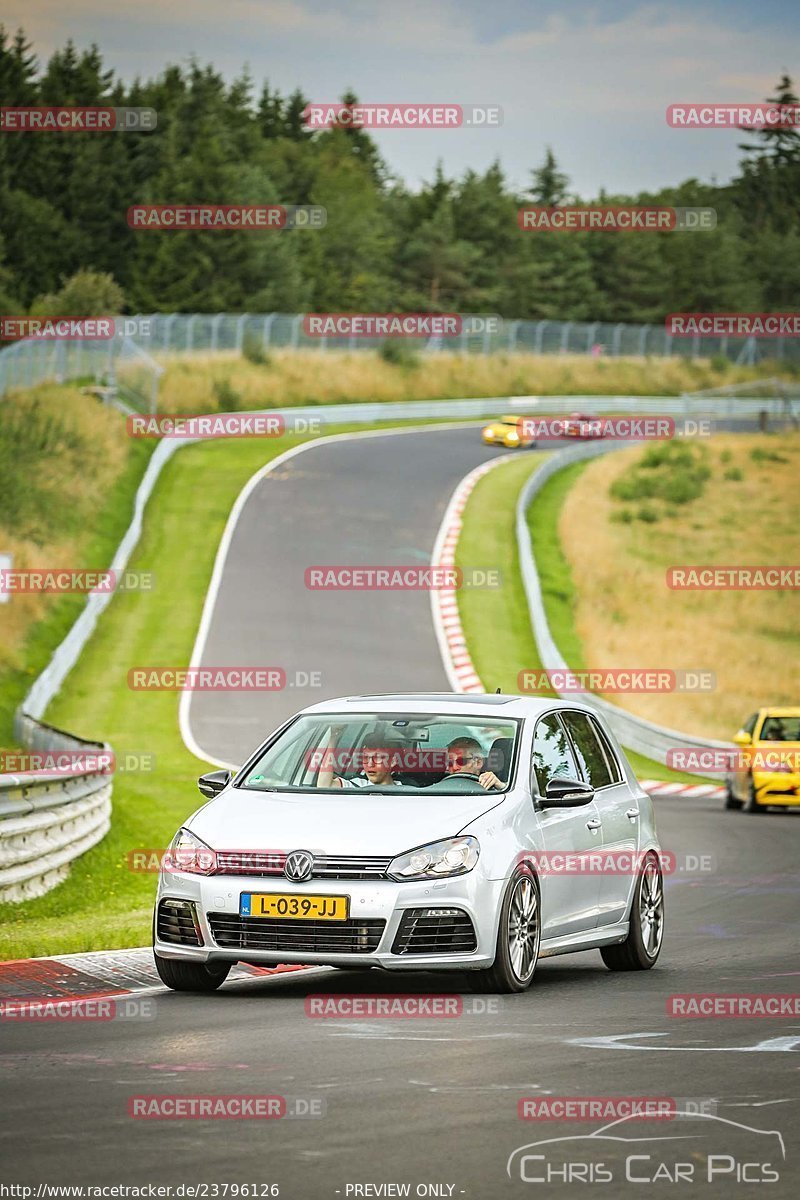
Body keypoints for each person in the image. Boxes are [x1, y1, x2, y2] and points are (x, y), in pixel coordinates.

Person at [317, 731, 403, 789]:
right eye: (366, 757)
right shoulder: (356, 786)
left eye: (377, 758)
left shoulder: (409, 791)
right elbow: (323, 786)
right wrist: (333, 738)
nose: (370, 764)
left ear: (392, 761)